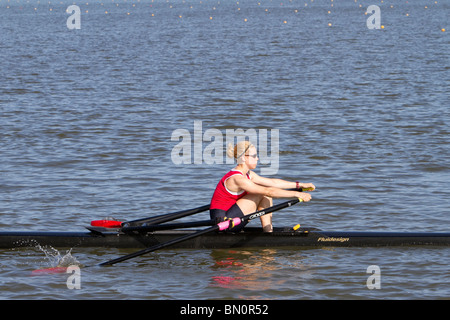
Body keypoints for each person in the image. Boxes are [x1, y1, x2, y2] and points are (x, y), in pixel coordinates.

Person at [210, 141, 315, 232]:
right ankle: (268, 234)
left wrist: (299, 185)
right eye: (254, 156)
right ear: (243, 157)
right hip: (223, 223)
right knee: (263, 193)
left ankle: (269, 232)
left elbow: (273, 183)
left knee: (265, 192)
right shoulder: (238, 179)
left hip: (233, 218)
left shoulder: (248, 175)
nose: (257, 158)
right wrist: (297, 194)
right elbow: (268, 191)